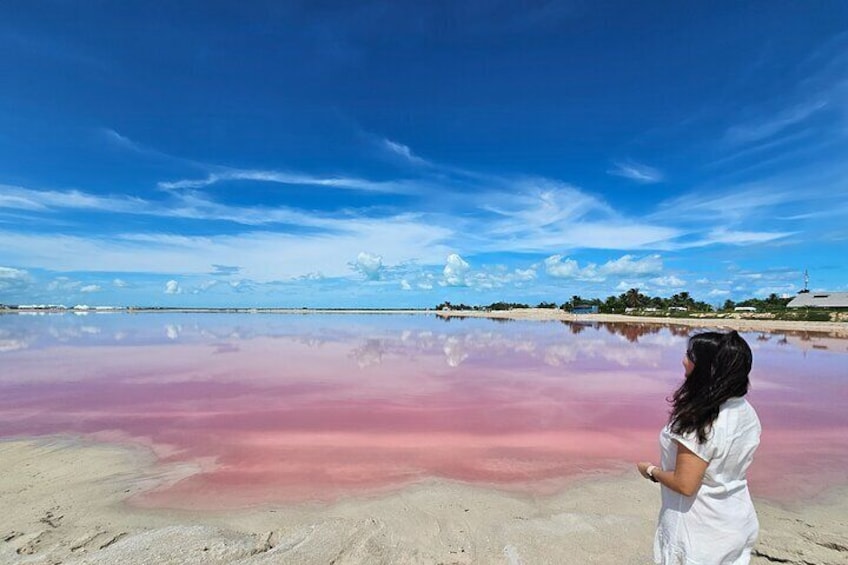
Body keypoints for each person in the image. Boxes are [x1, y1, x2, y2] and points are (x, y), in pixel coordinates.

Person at [637, 330, 761, 565]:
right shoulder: (744, 410)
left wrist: (651, 471)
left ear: (707, 369)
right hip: (736, 518)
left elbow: (685, 484)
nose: (684, 361)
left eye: (690, 356)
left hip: (698, 530)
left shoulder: (700, 421)